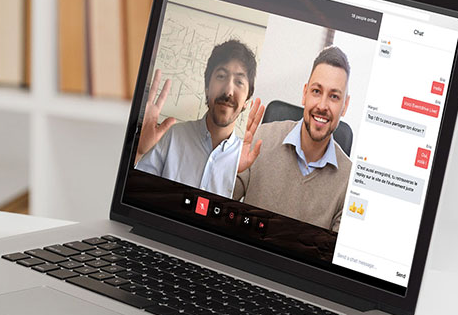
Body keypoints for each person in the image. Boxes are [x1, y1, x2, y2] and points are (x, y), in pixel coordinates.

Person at [233, 46, 354, 232]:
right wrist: (229, 166)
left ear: (344, 106)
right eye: (316, 91)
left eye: (334, 96)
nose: (322, 105)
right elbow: (215, 205)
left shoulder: (349, 182)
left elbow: (331, 255)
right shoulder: (260, 140)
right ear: (304, 93)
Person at [135, 40, 264, 198]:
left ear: (247, 102)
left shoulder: (245, 160)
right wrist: (138, 151)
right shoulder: (172, 136)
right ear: (207, 88)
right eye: (221, 76)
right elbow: (137, 196)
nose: (229, 91)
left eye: (239, 82)